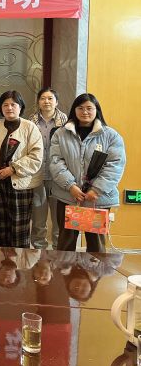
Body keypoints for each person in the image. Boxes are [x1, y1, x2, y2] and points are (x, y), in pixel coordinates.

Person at [50, 93, 126, 252]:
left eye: (89, 108)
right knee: (66, 243)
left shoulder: (110, 136)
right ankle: (65, 269)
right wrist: (70, 186)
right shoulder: (61, 134)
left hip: (97, 199)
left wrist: (96, 189)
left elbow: (115, 165)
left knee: (96, 245)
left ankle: (95, 269)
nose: (85, 112)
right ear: (74, 110)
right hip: (68, 196)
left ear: (97, 110)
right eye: (80, 108)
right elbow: (55, 162)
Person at [0, 90, 44, 248]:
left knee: (19, 230)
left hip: (20, 186)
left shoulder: (30, 127)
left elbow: (36, 156)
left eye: (13, 104)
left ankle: (18, 263)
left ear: (20, 107)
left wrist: (13, 169)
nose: (9, 108)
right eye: (5, 105)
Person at [29, 87, 68, 250]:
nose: (46, 101)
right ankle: (39, 252)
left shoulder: (66, 123)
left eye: (50, 98)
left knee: (59, 219)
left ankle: (58, 251)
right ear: (38, 102)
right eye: (43, 98)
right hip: (37, 175)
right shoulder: (30, 122)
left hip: (58, 177)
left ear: (56, 102)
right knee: (38, 219)